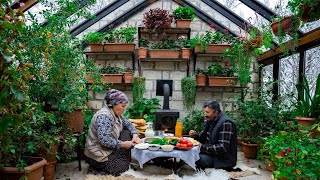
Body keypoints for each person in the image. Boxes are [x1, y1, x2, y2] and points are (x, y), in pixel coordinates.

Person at [84, 89, 141, 176]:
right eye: (122, 106)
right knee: (123, 167)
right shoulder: (104, 116)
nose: (124, 109)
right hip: (97, 156)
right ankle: (96, 168)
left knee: (127, 131)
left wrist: (135, 134)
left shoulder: (116, 114)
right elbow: (104, 140)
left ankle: (118, 160)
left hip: (107, 150)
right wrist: (122, 144)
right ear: (113, 105)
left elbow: (129, 124)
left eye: (125, 106)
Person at [189, 100, 237, 170]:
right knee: (189, 153)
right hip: (211, 153)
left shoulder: (226, 123)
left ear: (216, 113)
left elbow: (223, 147)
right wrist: (195, 136)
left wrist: (203, 147)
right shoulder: (210, 120)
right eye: (204, 112)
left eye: (207, 112)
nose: (205, 114)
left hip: (222, 159)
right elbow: (204, 138)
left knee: (195, 157)